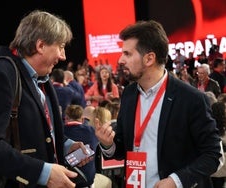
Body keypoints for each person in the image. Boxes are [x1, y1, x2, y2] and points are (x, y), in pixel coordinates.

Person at [0, 10, 91, 188]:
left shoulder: (41, 78)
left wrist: (65, 145)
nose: (63, 56)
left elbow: (36, 131)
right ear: (40, 46)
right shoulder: (2, 73)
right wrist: (43, 173)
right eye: (61, 46)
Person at [94, 20, 222, 188]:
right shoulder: (129, 95)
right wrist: (108, 144)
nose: (120, 60)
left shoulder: (191, 99)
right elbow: (123, 148)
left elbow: (213, 155)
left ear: (149, 59)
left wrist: (177, 181)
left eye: (128, 54)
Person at [64, 104, 99, 187]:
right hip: (88, 181)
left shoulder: (59, 131)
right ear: (82, 119)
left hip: (66, 181)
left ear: (66, 118)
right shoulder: (92, 130)